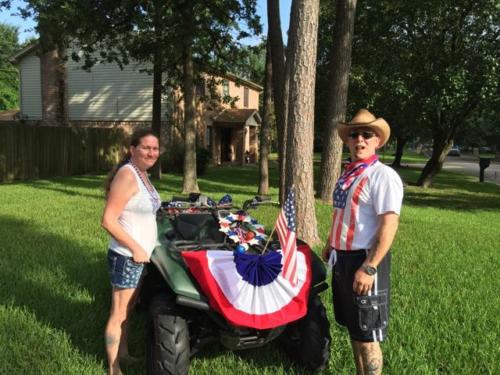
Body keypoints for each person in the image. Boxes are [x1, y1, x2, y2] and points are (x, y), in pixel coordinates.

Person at [322, 109, 403, 375]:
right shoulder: (348, 176)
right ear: (347, 141)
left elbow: (389, 224)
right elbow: (344, 216)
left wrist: (370, 267)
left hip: (365, 261)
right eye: (354, 134)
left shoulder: (383, 176)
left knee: (368, 335)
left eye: (367, 134)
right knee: (355, 329)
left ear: (377, 140)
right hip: (342, 261)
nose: (360, 139)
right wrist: (331, 243)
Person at [101, 128, 161, 375]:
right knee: (118, 313)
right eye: (145, 147)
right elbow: (108, 220)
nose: (151, 152)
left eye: (155, 148)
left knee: (128, 311)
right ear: (132, 149)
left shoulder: (142, 174)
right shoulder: (127, 176)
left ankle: (123, 353)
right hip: (127, 257)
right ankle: (113, 368)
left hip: (139, 257)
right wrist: (136, 248)